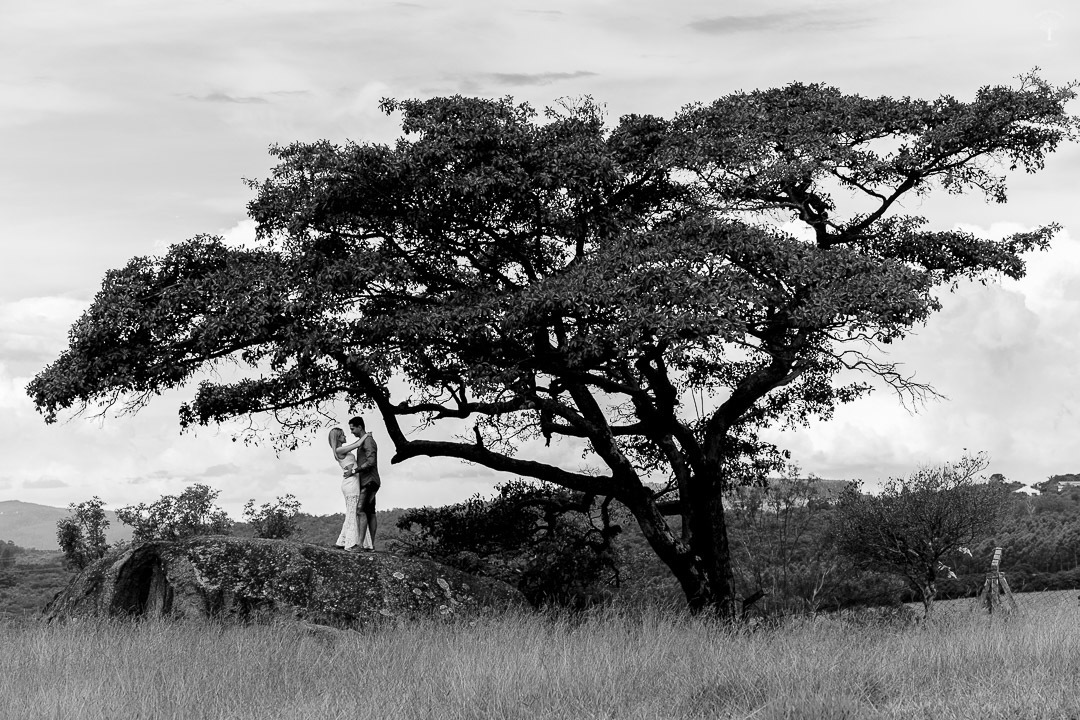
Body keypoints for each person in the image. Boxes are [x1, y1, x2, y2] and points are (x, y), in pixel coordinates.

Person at [336, 416, 381, 551]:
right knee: (370, 512)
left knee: (361, 510)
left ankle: (361, 545)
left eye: (353, 428)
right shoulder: (365, 440)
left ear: (360, 427)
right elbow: (357, 443)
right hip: (367, 480)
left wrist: (354, 470)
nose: (351, 431)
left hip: (369, 481)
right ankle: (370, 545)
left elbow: (371, 462)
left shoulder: (368, 442)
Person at [328, 427, 363, 552]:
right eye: (342, 435)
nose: (345, 436)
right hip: (351, 483)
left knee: (351, 512)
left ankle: (342, 540)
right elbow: (357, 444)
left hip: (351, 482)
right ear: (338, 438)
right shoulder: (339, 450)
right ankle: (350, 543)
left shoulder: (340, 450)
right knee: (353, 512)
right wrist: (367, 435)